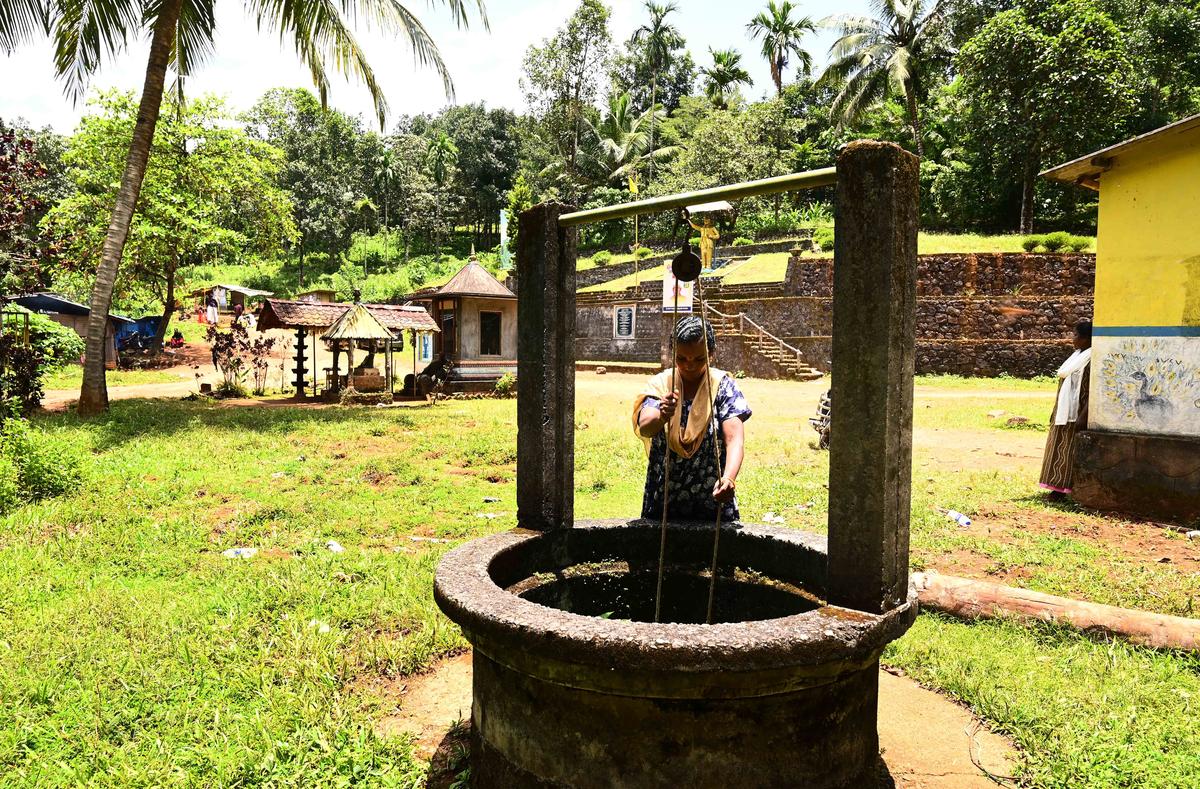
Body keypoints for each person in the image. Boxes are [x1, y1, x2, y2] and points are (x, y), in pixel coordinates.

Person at [633, 316, 751, 522]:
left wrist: (729, 478)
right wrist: (662, 415)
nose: (689, 366)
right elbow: (645, 428)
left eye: (699, 359)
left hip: (713, 492)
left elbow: (735, 439)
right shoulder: (662, 384)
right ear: (673, 354)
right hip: (666, 493)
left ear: (711, 354)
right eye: (681, 358)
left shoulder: (722, 386)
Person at [1039, 321, 1092, 499]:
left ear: (1086, 339)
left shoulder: (1091, 360)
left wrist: (1083, 415)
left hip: (1076, 413)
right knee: (1058, 449)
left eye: (1076, 335)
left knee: (1068, 452)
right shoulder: (1077, 356)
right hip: (1063, 411)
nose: (1073, 339)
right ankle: (1055, 486)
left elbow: (1091, 390)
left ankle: (1062, 490)